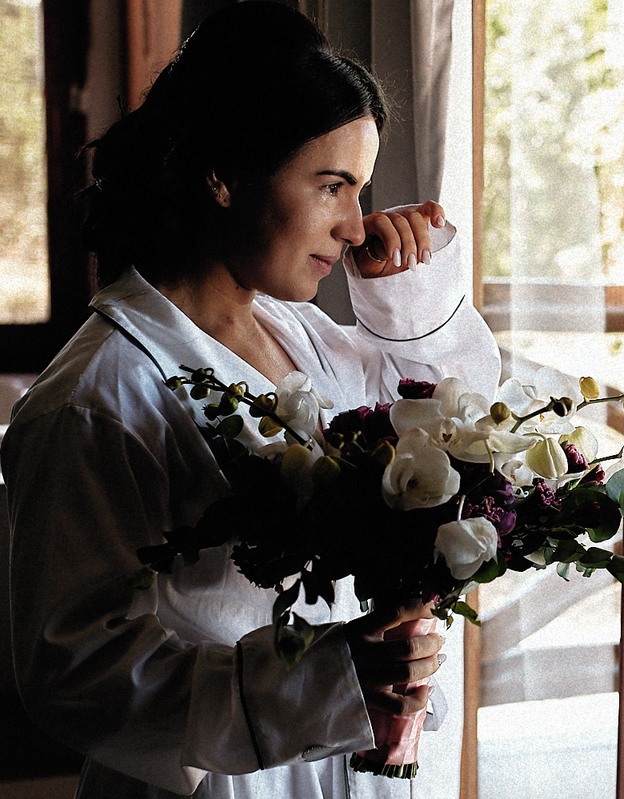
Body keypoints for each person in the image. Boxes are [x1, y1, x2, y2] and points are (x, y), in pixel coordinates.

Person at [0, 3, 497, 797]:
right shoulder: (92, 400)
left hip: (354, 765)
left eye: (361, 190)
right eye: (332, 186)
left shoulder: (303, 335)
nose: (354, 225)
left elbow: (454, 435)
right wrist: (323, 684)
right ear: (223, 175)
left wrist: (408, 295)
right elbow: (75, 669)